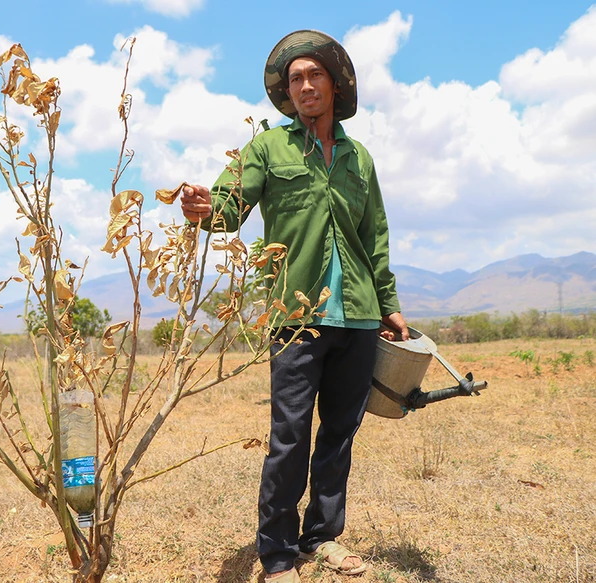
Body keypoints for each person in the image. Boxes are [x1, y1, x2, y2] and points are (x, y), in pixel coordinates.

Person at [179, 30, 409, 583]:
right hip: (294, 315)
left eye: (314, 75)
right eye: (295, 79)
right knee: (290, 434)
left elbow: (374, 236)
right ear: (288, 93)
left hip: (355, 315)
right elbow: (228, 210)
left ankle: (323, 537)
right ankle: (278, 554)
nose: (304, 85)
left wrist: (388, 304)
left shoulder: (359, 160)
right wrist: (201, 210)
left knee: (338, 435)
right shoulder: (267, 149)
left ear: (334, 85)